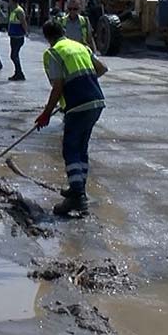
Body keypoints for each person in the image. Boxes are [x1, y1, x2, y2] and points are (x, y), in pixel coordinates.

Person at [35, 19, 108, 216]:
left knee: (70, 149)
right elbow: (102, 68)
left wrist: (46, 113)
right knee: (81, 148)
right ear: (63, 31)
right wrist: (86, 82)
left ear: (47, 38)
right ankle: (79, 190)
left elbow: (58, 86)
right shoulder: (79, 46)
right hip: (96, 101)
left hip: (78, 105)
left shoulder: (53, 53)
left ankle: (76, 195)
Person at [5, 0, 28, 81]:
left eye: (10, 1)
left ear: (13, 1)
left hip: (18, 37)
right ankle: (18, 72)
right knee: (14, 55)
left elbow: (23, 22)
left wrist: (26, 32)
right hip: (13, 36)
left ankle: (19, 73)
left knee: (14, 55)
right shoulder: (13, 10)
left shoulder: (19, 10)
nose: (9, 3)